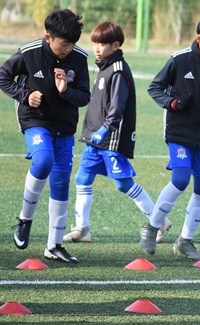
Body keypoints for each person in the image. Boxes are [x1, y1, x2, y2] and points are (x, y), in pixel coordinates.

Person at [61, 21, 167, 244]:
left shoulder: (118, 70)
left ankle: (158, 221)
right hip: (94, 139)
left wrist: (104, 128)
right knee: (82, 179)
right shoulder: (104, 66)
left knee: (123, 183)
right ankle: (82, 229)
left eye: (102, 44)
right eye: (94, 44)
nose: (96, 48)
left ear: (116, 45)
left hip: (111, 138)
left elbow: (117, 107)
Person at [139, 16, 200, 260]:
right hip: (180, 133)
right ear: (199, 38)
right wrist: (171, 103)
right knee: (181, 179)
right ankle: (151, 227)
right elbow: (154, 88)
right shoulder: (179, 59)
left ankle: (185, 240)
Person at [0, 9, 90, 263]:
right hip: (35, 119)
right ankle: (25, 219)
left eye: (72, 44)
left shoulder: (78, 58)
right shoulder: (29, 52)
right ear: (48, 38)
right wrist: (24, 95)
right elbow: (3, 75)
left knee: (61, 182)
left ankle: (54, 246)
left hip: (64, 125)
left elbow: (84, 96)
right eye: (64, 44)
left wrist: (65, 91)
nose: (68, 49)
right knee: (43, 161)